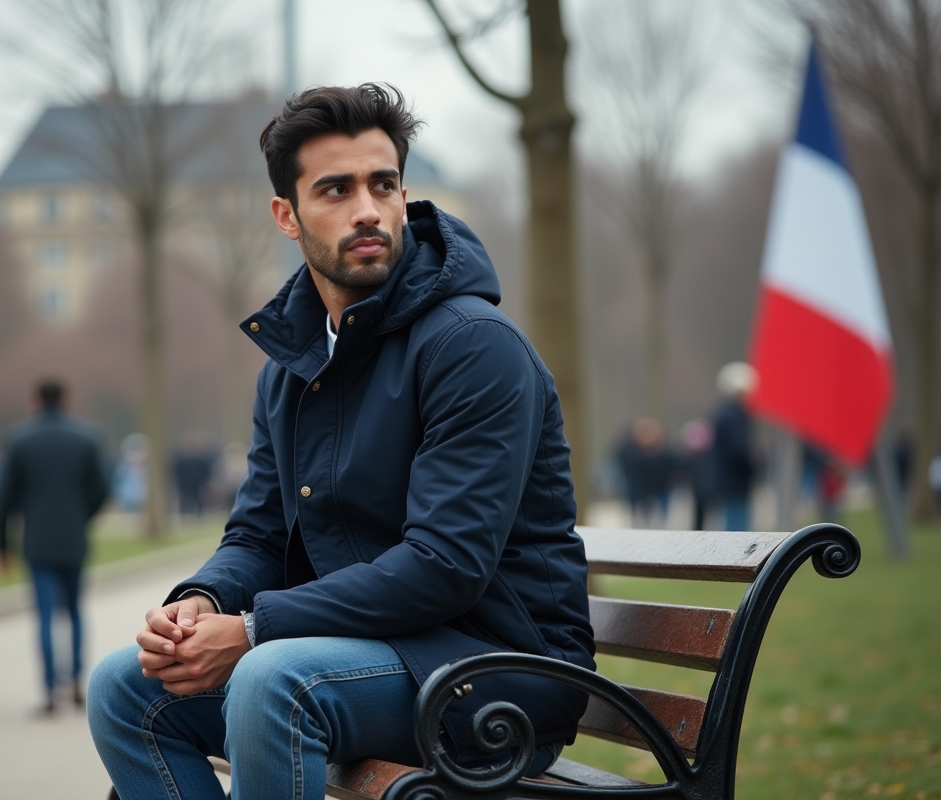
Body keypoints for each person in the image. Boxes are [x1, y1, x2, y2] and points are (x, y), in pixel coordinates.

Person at [87, 84, 594, 800]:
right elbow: (260, 534)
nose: (366, 210)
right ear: (285, 217)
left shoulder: (472, 346)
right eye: (335, 189)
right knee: (122, 687)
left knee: (271, 680)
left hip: (500, 670)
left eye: (381, 184)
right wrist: (202, 602)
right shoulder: (291, 368)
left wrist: (257, 628)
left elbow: (445, 565)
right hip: (379, 656)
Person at [0, 379, 109, 714]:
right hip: (73, 537)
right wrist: (82, 516)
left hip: (38, 540)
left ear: (34, 400)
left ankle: (48, 688)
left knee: (45, 616)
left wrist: (3, 543)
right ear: (67, 400)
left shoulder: (19, 439)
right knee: (74, 612)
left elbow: (5, 499)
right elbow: (102, 489)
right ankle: (74, 679)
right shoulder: (87, 437)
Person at [710, 362, 760, 531]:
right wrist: (754, 466)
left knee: (733, 522)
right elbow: (738, 449)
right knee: (737, 528)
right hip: (735, 480)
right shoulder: (734, 416)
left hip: (728, 479)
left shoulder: (725, 412)